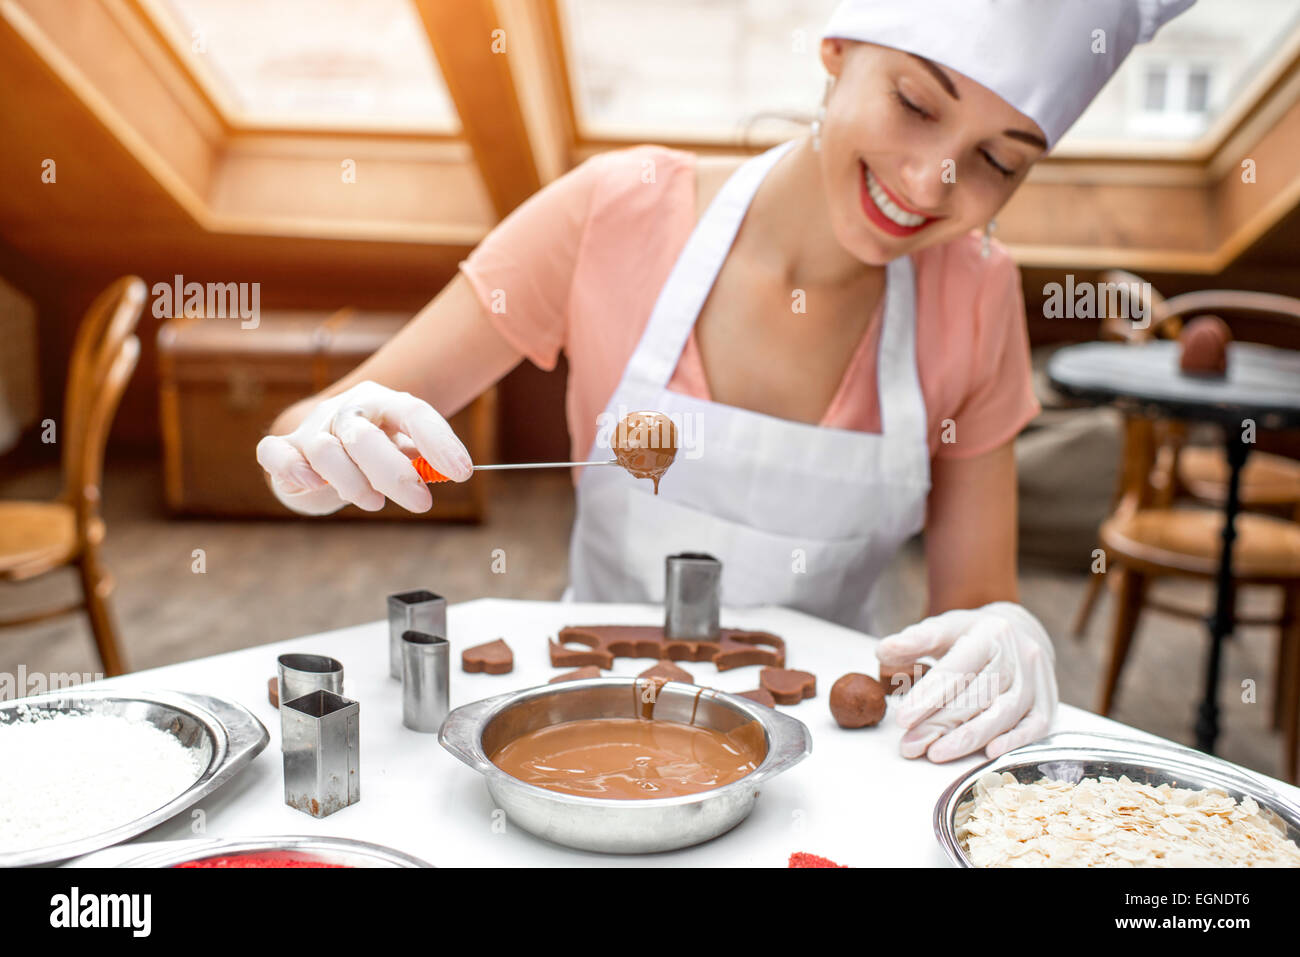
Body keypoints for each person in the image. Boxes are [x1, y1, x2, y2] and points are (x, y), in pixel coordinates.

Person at [256, 0, 1195, 762]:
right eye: (914, 102)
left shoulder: (978, 294)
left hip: (820, 752)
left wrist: (1004, 631)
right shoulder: (611, 213)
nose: (928, 179)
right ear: (835, 49)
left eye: (998, 160)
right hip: (579, 726)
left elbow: (970, 606)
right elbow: (319, 422)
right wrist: (316, 451)